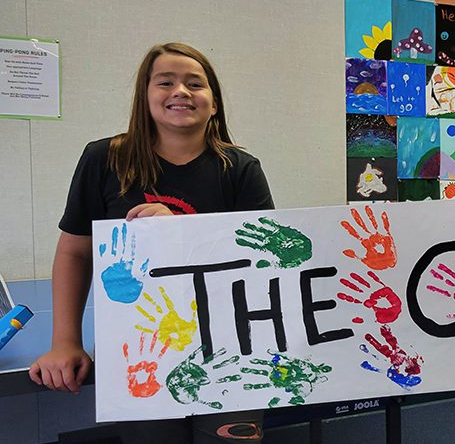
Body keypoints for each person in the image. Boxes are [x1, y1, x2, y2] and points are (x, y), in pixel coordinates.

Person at [28, 42, 274, 443]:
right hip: (138, 348)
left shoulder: (241, 169)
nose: (181, 90)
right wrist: (65, 341)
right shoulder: (104, 159)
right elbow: (75, 251)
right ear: (145, 98)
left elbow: (263, 260)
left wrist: (178, 230)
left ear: (214, 104)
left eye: (195, 83)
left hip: (231, 347)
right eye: (166, 82)